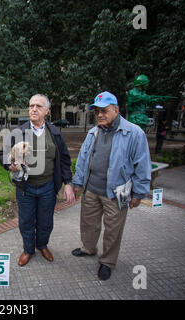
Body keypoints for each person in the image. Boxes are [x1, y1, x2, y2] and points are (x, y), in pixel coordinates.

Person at [71, 91, 151, 280]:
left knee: (113, 230)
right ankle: (89, 248)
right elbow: (83, 159)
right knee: (88, 223)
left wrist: (139, 193)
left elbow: (142, 164)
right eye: (97, 111)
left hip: (116, 193)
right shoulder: (93, 132)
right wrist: (78, 181)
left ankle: (107, 261)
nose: (99, 115)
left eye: (104, 111)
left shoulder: (134, 133)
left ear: (116, 110)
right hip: (91, 189)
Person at [0, 94, 75, 267]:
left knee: (46, 221)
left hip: (48, 186)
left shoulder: (55, 133)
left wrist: (68, 183)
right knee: (26, 221)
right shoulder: (18, 133)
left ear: (47, 111)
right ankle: (28, 250)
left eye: (39, 106)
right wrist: (10, 164)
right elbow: (2, 156)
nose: (34, 109)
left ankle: (42, 245)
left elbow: (64, 160)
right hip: (26, 187)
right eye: (31, 105)